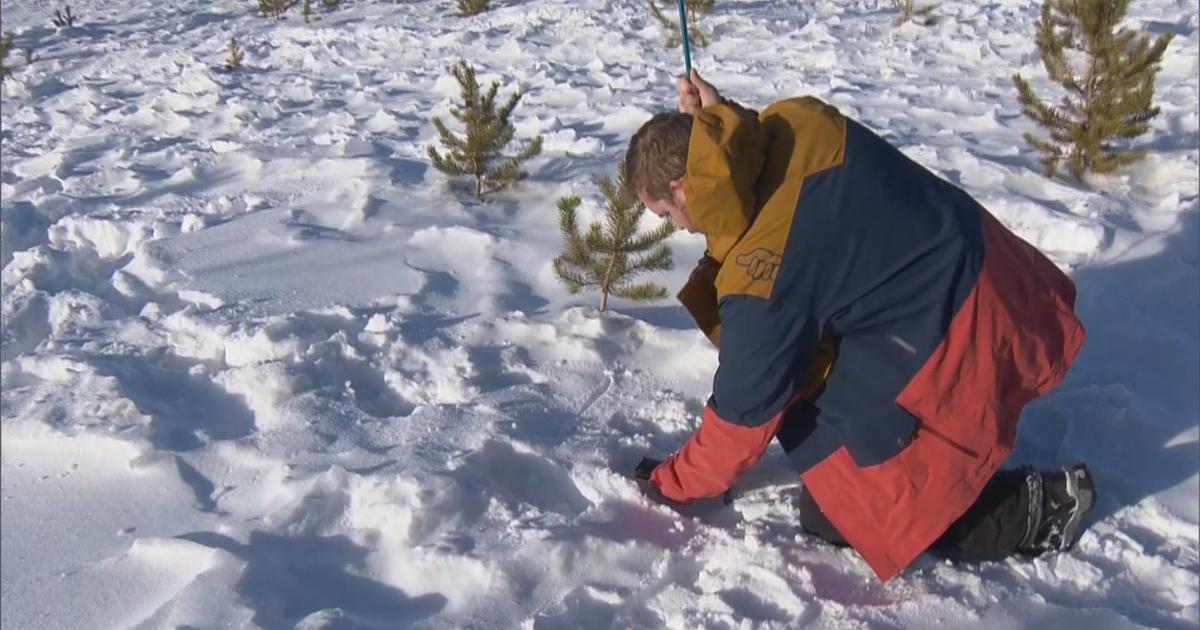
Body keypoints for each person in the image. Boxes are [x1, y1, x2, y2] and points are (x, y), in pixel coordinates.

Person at [625, 69, 1097, 583]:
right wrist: (714, 125)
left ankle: (1035, 509)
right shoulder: (795, 119)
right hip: (990, 271)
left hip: (958, 337)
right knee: (822, 425)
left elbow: (742, 419)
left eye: (666, 213)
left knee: (851, 508)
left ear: (680, 187)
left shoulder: (759, 278)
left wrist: (671, 482)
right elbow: (736, 159)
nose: (678, 226)